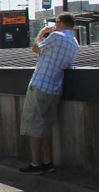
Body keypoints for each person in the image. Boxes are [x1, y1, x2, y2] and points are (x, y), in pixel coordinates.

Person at [19, 12, 80, 174]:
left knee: (34, 127)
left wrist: (42, 32)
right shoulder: (75, 43)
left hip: (40, 85)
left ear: (59, 22)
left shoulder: (56, 36)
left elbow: (35, 48)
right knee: (45, 127)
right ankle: (48, 162)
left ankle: (36, 164)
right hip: (55, 88)